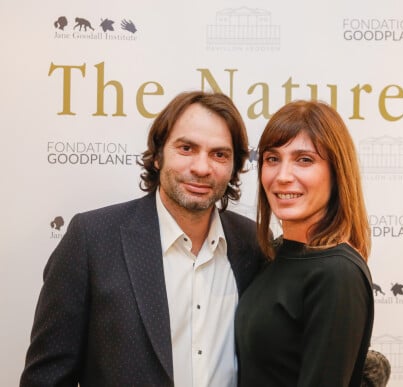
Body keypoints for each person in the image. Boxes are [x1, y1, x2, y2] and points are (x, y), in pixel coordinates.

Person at [21, 91, 265, 387]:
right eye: (186, 148)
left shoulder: (254, 244)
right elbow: (46, 378)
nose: (202, 168)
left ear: (234, 165)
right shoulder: (91, 239)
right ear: (159, 155)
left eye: (219, 154)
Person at [235, 100, 374, 387]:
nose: (283, 177)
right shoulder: (274, 254)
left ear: (337, 173)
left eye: (304, 160)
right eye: (273, 159)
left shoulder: (336, 273)